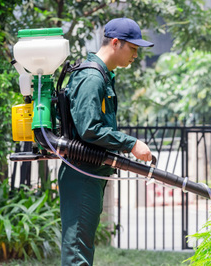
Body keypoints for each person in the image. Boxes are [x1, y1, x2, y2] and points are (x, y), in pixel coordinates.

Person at [58, 17, 154, 265]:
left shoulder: (103, 74)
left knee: (82, 245)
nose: (135, 55)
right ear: (115, 43)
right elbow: (89, 129)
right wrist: (131, 143)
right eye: (133, 48)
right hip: (82, 173)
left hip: (91, 170)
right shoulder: (92, 77)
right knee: (77, 251)